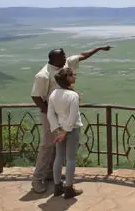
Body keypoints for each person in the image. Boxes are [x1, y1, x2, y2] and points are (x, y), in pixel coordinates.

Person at [31, 45, 112, 193]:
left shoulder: (65, 64)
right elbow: (36, 97)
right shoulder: (43, 75)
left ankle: (52, 176)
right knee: (48, 145)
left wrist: (99, 48)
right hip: (53, 115)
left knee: (57, 150)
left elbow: (82, 55)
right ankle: (37, 179)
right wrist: (51, 117)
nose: (66, 58)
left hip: (59, 115)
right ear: (54, 59)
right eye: (62, 57)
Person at [47, 67, 83, 199]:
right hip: (71, 129)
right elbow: (73, 116)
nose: (75, 76)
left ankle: (57, 187)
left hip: (59, 129)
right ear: (67, 78)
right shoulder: (73, 95)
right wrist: (65, 131)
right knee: (71, 159)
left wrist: (57, 130)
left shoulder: (53, 94)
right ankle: (69, 188)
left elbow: (50, 115)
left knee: (59, 158)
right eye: (73, 75)